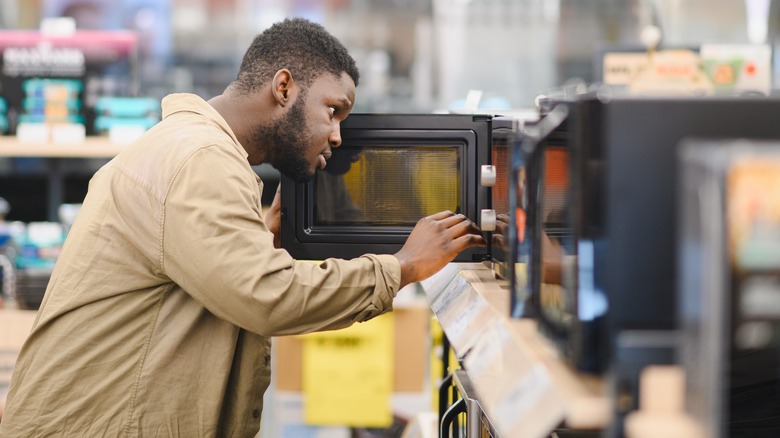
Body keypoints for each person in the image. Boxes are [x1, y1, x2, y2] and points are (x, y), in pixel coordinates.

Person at [0, 17, 485, 437]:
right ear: (283, 87)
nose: (338, 134)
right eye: (333, 110)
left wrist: (258, 238)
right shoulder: (201, 159)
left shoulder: (197, 151)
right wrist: (400, 267)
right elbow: (266, 296)